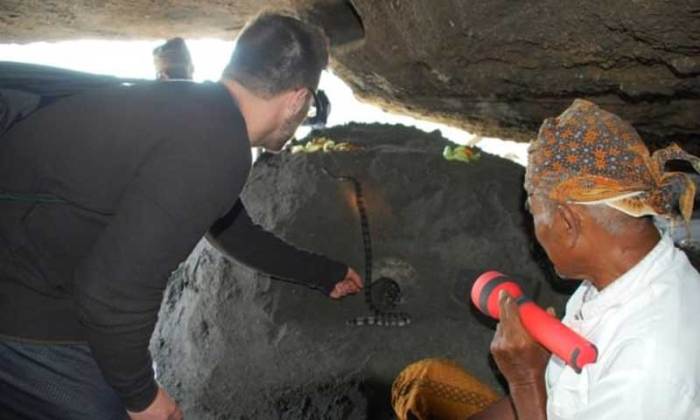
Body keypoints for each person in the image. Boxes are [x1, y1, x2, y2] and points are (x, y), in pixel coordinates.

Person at [0, 12, 363, 420]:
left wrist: (323, 273)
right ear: (298, 98)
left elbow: (236, 233)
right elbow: (111, 295)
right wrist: (143, 398)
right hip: (26, 313)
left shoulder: (195, 112)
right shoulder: (215, 145)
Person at [392, 99, 700, 419]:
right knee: (420, 381)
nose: (533, 229)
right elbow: (560, 396)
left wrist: (526, 379)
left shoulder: (650, 368)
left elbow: (539, 392)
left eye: (533, 212)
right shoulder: (618, 279)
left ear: (568, 222)